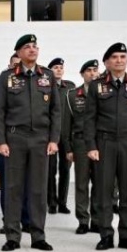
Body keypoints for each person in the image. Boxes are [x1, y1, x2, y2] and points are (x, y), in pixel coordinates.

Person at [0, 34, 60, 252]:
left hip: (41, 139)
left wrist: (54, 139)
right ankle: (12, 236)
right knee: (13, 188)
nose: (32, 49)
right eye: (27, 47)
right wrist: (1, 140)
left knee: (39, 189)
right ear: (18, 53)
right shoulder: (7, 77)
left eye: (35, 46)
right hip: (15, 139)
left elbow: (56, 111)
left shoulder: (48, 76)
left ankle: (38, 235)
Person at [84, 43, 127, 251]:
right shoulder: (96, 86)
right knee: (104, 192)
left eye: (123, 56)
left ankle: (126, 235)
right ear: (106, 62)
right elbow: (89, 119)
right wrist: (91, 145)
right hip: (104, 143)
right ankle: (105, 235)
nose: (119, 60)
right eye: (114, 57)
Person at [0, 53, 31, 234]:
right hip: (5, 141)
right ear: (9, 65)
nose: (17, 68)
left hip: (28, 141)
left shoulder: (32, 82)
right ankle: (9, 221)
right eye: (14, 64)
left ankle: (27, 220)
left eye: (19, 65)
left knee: (28, 182)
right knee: (8, 183)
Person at [64, 59, 101, 234]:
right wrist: (68, 148)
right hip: (80, 143)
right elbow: (66, 124)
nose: (92, 74)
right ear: (82, 74)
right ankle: (83, 221)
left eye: (95, 70)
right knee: (81, 183)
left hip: (101, 142)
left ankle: (97, 219)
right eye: (88, 71)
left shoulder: (106, 92)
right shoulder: (72, 95)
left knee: (100, 183)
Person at [47, 57, 75, 215]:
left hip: (66, 134)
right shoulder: (44, 86)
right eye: (55, 67)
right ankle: (51, 202)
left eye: (60, 67)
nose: (58, 69)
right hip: (50, 135)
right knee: (50, 170)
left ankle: (62, 202)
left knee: (65, 168)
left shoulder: (70, 87)